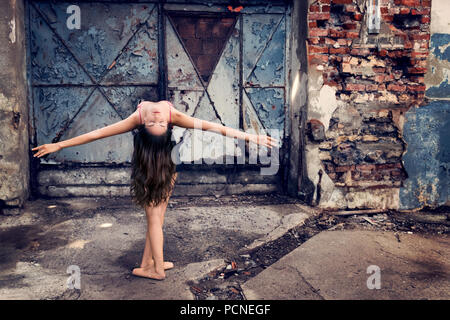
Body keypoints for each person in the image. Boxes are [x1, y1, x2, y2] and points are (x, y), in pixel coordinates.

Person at [32, 99, 279, 280]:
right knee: (155, 218)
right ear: (147, 124)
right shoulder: (160, 116)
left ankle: (155, 267)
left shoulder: (147, 117)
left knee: (155, 218)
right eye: (155, 121)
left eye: (159, 121)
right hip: (154, 166)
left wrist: (250, 137)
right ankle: (151, 266)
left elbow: (213, 126)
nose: (158, 118)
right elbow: (97, 134)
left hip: (167, 165)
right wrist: (59, 145)